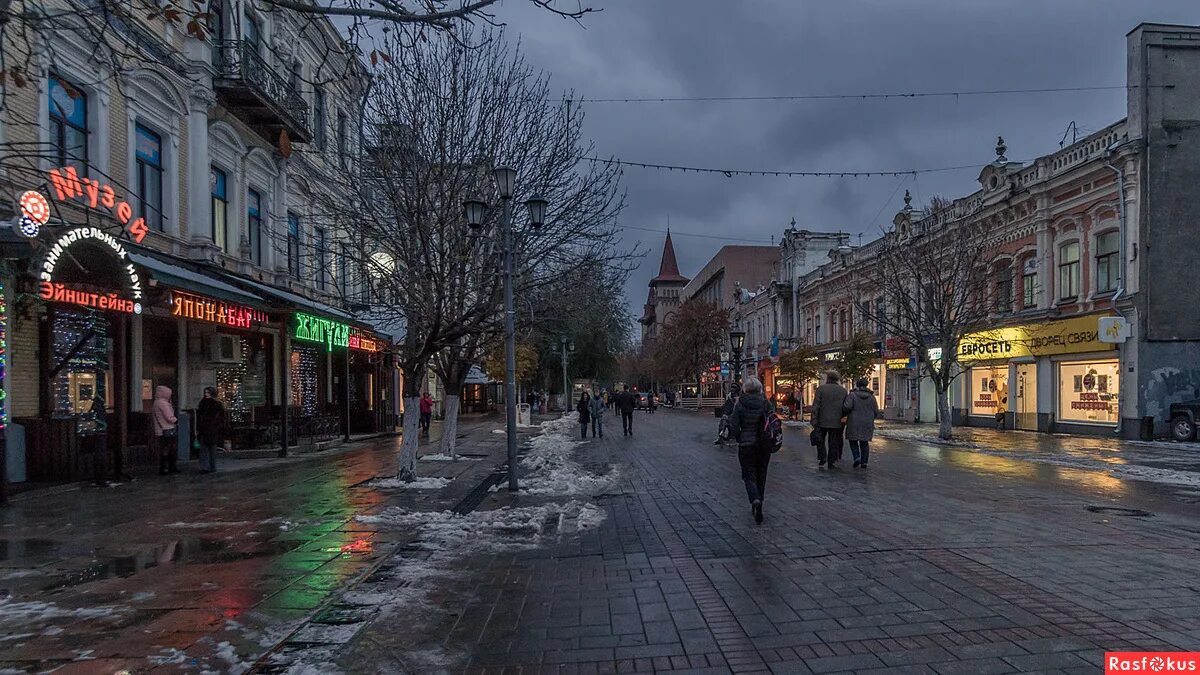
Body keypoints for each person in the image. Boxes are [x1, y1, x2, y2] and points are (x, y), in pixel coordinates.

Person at [728, 376, 773, 524]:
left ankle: (754, 499)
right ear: (760, 388)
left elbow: (734, 424)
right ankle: (761, 499)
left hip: (746, 445)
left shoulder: (740, 403)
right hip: (764, 444)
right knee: (762, 473)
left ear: (745, 389)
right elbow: (772, 421)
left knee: (748, 475)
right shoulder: (765, 402)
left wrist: (740, 437)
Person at [811, 371, 848, 468]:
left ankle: (822, 457)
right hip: (836, 421)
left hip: (822, 420)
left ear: (827, 378)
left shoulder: (821, 389)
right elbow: (846, 407)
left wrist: (814, 419)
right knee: (833, 441)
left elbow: (816, 405)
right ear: (837, 379)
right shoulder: (843, 391)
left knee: (820, 440)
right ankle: (832, 460)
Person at [843, 377, 879, 468]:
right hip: (867, 422)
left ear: (857, 385)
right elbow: (876, 411)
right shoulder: (871, 397)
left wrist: (845, 413)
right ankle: (864, 462)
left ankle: (857, 457)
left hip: (854, 421)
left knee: (853, 440)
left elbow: (847, 407)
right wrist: (871, 418)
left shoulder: (852, 395)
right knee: (864, 441)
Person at [196, 386, 227, 473]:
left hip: (212, 429)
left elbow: (221, 417)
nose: (206, 394)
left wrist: (216, 425)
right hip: (205, 429)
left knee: (211, 449)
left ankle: (211, 467)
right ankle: (206, 467)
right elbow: (199, 416)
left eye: (208, 393)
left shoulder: (216, 404)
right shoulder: (203, 403)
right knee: (205, 448)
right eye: (205, 392)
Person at [152, 385, 179, 475]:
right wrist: (176, 420)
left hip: (160, 429)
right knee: (171, 448)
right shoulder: (163, 403)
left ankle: (163, 468)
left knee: (164, 448)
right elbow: (169, 417)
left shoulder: (156, 402)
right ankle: (170, 467)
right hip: (168, 428)